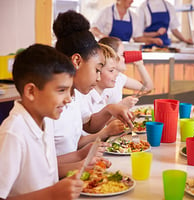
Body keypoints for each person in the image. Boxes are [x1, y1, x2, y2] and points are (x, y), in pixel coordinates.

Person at [0, 44, 83, 199]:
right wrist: (52, 194)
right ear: (31, 91)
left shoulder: (46, 120)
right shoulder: (13, 133)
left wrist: (79, 158)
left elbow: (44, 172)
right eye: (61, 90)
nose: (68, 99)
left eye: (69, 90)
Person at [52, 10, 133, 156]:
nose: (97, 78)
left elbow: (88, 125)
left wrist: (110, 109)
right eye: (97, 69)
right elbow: (45, 165)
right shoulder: (51, 105)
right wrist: (81, 157)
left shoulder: (75, 94)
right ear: (77, 61)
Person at [99, 36, 154, 108]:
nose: (125, 57)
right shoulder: (101, 80)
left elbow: (148, 87)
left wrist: (140, 65)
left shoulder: (120, 77)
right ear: (111, 56)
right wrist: (122, 105)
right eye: (122, 54)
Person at [90, 0, 163, 46]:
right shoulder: (106, 12)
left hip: (124, 53)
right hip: (106, 51)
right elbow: (93, 29)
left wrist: (153, 40)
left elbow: (137, 38)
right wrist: (103, 36)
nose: (132, 1)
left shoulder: (134, 17)